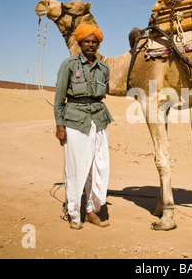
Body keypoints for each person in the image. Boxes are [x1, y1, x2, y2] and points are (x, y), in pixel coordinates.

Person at [54, 24, 113, 230]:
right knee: (75, 169)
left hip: (98, 120)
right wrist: (60, 125)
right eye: (86, 41)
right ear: (79, 43)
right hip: (75, 121)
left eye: (94, 41)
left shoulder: (104, 68)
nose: (90, 44)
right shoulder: (68, 65)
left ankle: (89, 210)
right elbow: (59, 98)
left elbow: (103, 92)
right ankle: (73, 213)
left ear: (98, 44)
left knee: (97, 167)